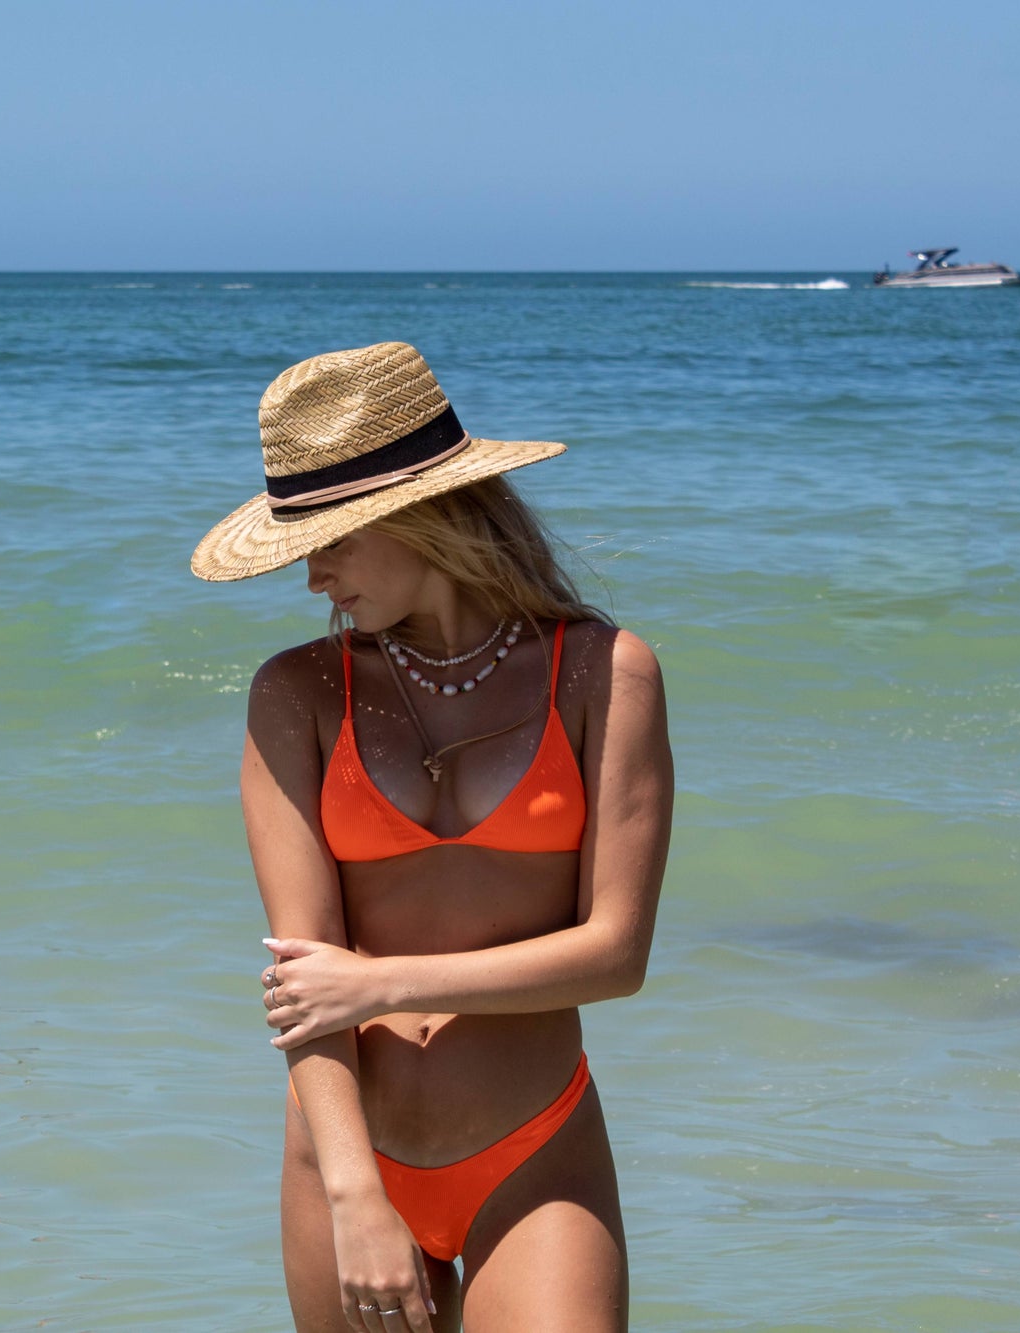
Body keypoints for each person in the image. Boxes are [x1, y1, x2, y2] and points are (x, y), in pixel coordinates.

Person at [191, 342, 673, 1331]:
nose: (312, 575)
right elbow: (300, 979)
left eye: (331, 540)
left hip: (529, 1152)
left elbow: (615, 954)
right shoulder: (297, 695)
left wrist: (383, 981)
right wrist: (355, 1198)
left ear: (421, 513)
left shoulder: (599, 674)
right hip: (343, 1158)